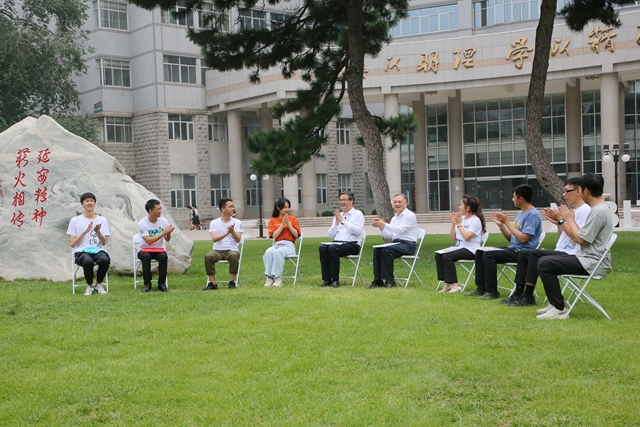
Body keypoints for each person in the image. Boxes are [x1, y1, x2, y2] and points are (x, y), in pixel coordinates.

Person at [536, 173, 614, 319]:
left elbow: (581, 240)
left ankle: (559, 309)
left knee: (545, 264)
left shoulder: (598, 212)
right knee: (543, 260)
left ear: (586, 191)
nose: (578, 192)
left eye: (580, 189)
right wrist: (562, 221)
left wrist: (569, 219)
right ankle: (555, 304)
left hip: (592, 262)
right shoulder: (599, 209)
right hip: (586, 258)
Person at [505, 177, 591, 307]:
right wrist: (558, 223)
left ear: (578, 191)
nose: (564, 195)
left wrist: (561, 220)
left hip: (573, 252)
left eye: (567, 191)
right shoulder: (572, 211)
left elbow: (577, 237)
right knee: (524, 253)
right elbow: (564, 237)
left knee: (534, 254)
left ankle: (528, 295)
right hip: (563, 250)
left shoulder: (584, 211)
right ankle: (518, 293)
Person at [465, 184, 542, 300]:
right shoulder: (520, 213)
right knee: (480, 252)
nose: (512, 199)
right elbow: (513, 239)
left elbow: (523, 239)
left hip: (523, 252)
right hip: (513, 248)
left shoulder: (533, 215)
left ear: (521, 199)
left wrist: (507, 223)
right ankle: (481, 288)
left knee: (488, 255)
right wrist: (501, 226)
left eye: (514, 196)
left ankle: (492, 291)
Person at [435, 195, 486, 293]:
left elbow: (467, 237)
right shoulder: (461, 219)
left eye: (461, 205)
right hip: (459, 247)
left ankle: (455, 285)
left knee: (447, 256)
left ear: (468, 208)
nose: (459, 207)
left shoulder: (475, 220)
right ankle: (447, 283)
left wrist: (458, 224)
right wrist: (454, 223)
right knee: (439, 255)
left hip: (471, 250)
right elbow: (452, 238)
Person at [369, 193, 421, 288]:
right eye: (395, 202)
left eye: (399, 202)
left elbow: (401, 230)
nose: (397, 204)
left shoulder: (410, 215)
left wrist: (384, 224)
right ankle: (378, 280)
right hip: (396, 243)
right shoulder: (394, 218)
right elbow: (389, 235)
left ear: (406, 203)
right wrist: (382, 227)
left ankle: (390, 280)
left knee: (387, 250)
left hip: (408, 245)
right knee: (377, 250)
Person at [318, 191, 365, 288]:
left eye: (344, 200)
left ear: (351, 201)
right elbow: (331, 235)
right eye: (340, 200)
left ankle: (335, 279)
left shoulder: (358, 214)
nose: (342, 202)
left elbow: (358, 231)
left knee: (333, 248)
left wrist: (343, 222)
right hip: (337, 243)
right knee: (322, 247)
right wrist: (336, 223)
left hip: (352, 244)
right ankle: (327, 279)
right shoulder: (338, 215)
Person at [67, 192, 110, 296]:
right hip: (81, 251)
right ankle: (89, 286)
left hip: (97, 250)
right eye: (87, 201)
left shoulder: (102, 220)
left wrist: (98, 231)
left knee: (105, 260)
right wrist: (84, 232)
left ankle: (98, 284)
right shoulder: (75, 220)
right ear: (82, 204)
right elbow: (72, 244)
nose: (89, 203)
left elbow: (104, 242)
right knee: (88, 261)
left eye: (91, 201)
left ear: (95, 203)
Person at [203, 198, 243, 290]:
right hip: (218, 250)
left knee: (233, 256)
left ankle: (232, 282)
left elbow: (238, 239)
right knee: (208, 257)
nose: (232, 209)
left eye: (233, 207)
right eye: (230, 207)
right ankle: (212, 283)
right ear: (223, 209)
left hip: (232, 249)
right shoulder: (214, 223)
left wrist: (232, 231)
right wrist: (227, 233)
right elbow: (214, 239)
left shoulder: (237, 222)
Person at [137, 199, 175, 292]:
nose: (160, 211)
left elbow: (167, 239)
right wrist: (164, 232)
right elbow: (149, 241)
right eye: (158, 209)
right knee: (146, 257)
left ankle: (161, 283)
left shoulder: (164, 221)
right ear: (150, 211)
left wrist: (168, 232)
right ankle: (147, 284)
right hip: (145, 249)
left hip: (159, 249)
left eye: (160, 208)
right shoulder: (142, 223)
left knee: (163, 256)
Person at [263, 198, 301, 287]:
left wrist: (289, 224)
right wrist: (283, 224)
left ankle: (278, 278)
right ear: (278, 208)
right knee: (268, 252)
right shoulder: (273, 220)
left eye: (288, 207)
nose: (287, 209)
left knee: (278, 252)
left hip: (289, 245)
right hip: (277, 244)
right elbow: (274, 236)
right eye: (284, 207)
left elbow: (296, 235)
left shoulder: (293, 219)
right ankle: (270, 277)